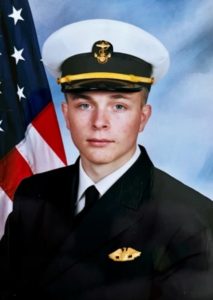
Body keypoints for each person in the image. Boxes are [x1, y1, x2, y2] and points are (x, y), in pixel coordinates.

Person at [0, 19, 213, 300]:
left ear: (143, 117)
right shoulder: (34, 196)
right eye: (84, 104)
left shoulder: (190, 220)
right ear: (66, 115)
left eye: (119, 106)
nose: (99, 122)